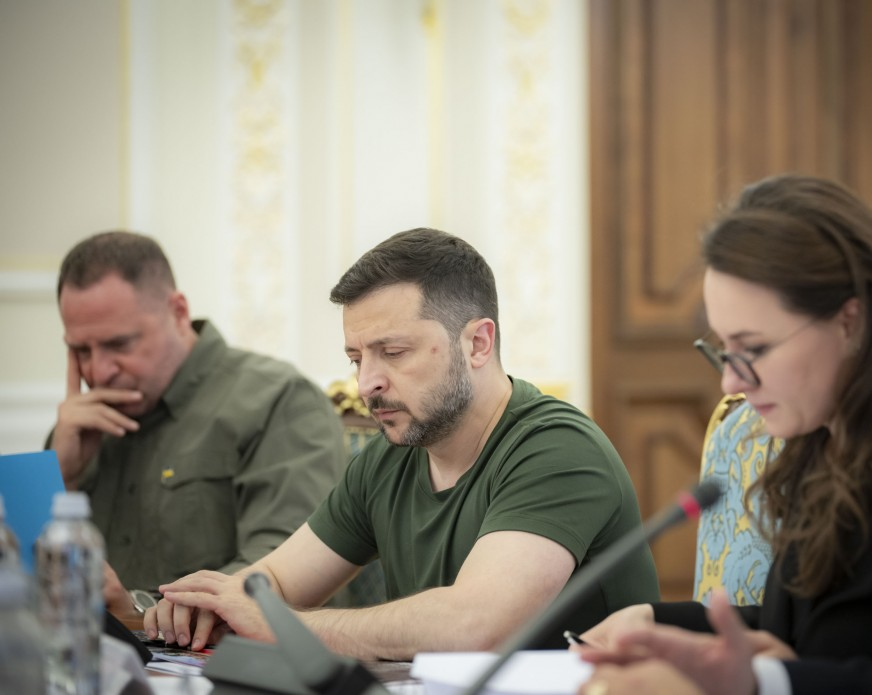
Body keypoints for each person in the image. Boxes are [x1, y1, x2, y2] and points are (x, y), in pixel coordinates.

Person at [579, 139, 872, 695]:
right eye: (723, 350)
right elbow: (802, 634)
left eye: (753, 349)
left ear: (848, 322)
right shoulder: (817, 438)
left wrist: (767, 684)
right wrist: (658, 622)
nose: (730, 383)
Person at [145, 228, 660, 659]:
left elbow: (477, 626)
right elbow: (272, 584)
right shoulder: (387, 461)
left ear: (478, 343)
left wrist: (281, 625)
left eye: (392, 351)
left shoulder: (557, 448)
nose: (366, 382)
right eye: (355, 358)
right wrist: (202, 606)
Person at [51, 231, 345, 618]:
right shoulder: (77, 432)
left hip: (229, 667)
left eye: (119, 345)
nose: (99, 371)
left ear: (177, 312)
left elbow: (285, 570)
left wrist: (139, 611)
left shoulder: (277, 400)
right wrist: (59, 473)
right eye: (80, 351)